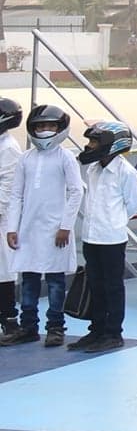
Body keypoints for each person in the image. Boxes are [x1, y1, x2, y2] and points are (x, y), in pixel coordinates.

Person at [2, 106, 82, 347]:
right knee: (29, 279)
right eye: (40, 126)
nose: (45, 131)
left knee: (56, 280)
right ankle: (28, 327)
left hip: (56, 230)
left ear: (60, 129)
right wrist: (12, 228)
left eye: (50, 126)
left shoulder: (65, 157)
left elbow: (76, 191)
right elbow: (16, 195)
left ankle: (55, 327)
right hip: (28, 230)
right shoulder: (26, 158)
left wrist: (66, 226)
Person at [73, 121, 137, 353]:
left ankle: (113, 332)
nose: (90, 146)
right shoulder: (94, 169)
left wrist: (115, 221)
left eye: (95, 141)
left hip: (111, 238)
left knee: (113, 286)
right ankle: (97, 330)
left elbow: (132, 202)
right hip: (91, 236)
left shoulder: (125, 172)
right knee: (95, 284)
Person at [0, 100, 20, 338]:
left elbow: (7, 187)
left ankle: (9, 320)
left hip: (3, 219)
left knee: (3, 270)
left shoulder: (9, 148)